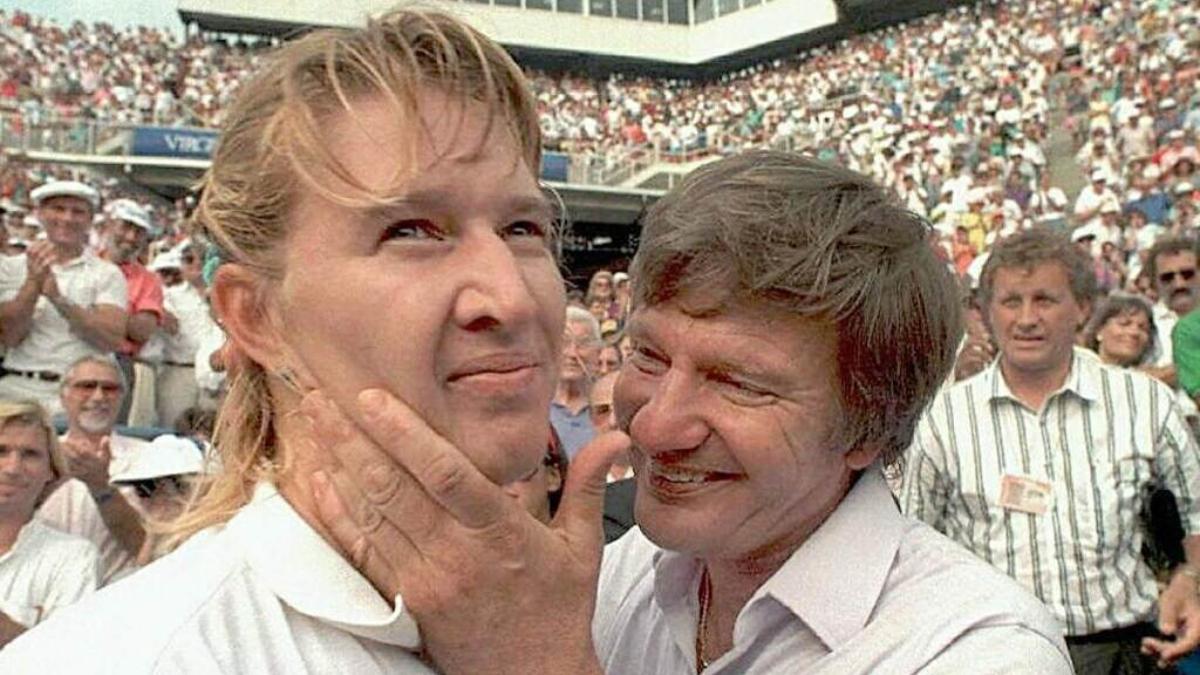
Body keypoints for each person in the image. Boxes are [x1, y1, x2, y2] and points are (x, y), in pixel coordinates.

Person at [305, 152, 1071, 674]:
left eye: (738, 382)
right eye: (647, 355)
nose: (655, 423)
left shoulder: (975, 650)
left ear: (869, 428)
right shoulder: (624, 572)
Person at [0, 8, 579, 672]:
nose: (509, 297)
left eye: (524, 230)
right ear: (255, 316)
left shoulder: (602, 613)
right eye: (413, 230)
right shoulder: (122, 658)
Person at [900, 229, 1200, 673]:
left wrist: (1190, 579)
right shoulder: (944, 420)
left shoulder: (1144, 403)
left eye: (1044, 300)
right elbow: (916, 539)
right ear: (985, 311)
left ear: (1082, 308)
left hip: (1125, 653)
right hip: (996, 656)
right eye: (1010, 301)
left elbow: (1195, 507)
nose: (1026, 319)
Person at [0, 180, 128, 415]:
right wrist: (32, 284)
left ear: (90, 220)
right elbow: (9, 336)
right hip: (16, 388)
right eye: (58, 209)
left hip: (79, 397)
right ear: (39, 214)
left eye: (77, 212)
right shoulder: (9, 268)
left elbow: (110, 338)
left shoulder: (108, 273)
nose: (67, 218)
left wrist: (59, 299)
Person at [37, 355, 149, 585]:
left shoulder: (150, 457)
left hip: (119, 592)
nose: (99, 397)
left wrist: (100, 486)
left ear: (122, 398)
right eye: (87, 386)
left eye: (110, 389)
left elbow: (147, 548)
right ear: (63, 395)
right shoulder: (32, 454)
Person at [0, 399, 99, 646]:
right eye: (0, 451)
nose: (12, 468)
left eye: (30, 455)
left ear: (51, 472)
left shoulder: (74, 558)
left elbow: (64, 656)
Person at [99, 200, 164, 426]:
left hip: (118, 363)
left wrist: (98, 307)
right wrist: (124, 313)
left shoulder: (148, 280)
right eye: (125, 226)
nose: (130, 237)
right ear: (109, 225)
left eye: (138, 232)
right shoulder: (85, 264)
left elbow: (141, 330)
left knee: (108, 432)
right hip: (70, 353)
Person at [553, 306, 601, 459]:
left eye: (583, 344)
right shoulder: (534, 406)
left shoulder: (608, 408)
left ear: (598, 352)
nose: (573, 353)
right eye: (564, 342)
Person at [1082, 292, 1157, 369]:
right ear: (1099, 330)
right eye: (1124, 324)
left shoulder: (1146, 380)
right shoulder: (1077, 369)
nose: (1134, 332)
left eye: (1143, 328)